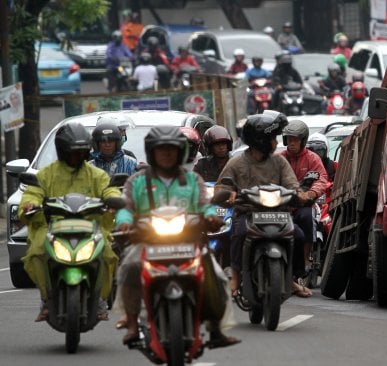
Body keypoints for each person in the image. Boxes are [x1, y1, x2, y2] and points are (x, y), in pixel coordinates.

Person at [115, 125, 240, 347]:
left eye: (171, 149)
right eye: (161, 149)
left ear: (180, 152)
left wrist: (211, 217)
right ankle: (132, 323)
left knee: (217, 276)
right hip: (146, 241)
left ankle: (215, 329)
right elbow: (126, 206)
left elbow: (205, 205)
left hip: (188, 241)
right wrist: (124, 222)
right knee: (129, 267)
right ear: (151, 152)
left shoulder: (193, 180)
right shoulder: (137, 181)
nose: (166, 154)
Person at [19, 122, 121, 322]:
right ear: (62, 151)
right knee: (36, 253)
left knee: (109, 255)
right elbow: (33, 193)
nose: (76, 156)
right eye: (72, 151)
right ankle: (47, 299)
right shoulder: (47, 174)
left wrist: (113, 199)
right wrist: (30, 205)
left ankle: (100, 299)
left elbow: (109, 189)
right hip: (52, 228)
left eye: (81, 151)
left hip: (91, 227)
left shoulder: (96, 174)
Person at [216, 112, 313, 298]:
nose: (276, 143)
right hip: (247, 214)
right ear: (261, 140)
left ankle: (291, 278)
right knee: (239, 234)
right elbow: (222, 186)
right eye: (272, 138)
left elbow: (292, 184)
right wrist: (228, 193)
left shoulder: (279, 161)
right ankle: (235, 276)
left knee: (299, 235)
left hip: (279, 214)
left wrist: (301, 194)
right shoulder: (236, 163)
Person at [279, 120, 329, 276]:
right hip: (281, 204)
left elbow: (322, 179)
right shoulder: (279, 158)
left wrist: (311, 193)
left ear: (303, 141)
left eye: (296, 140)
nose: (292, 143)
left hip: (304, 204)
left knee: (307, 218)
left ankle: (306, 258)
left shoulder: (313, 159)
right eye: (289, 139)